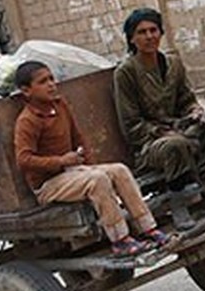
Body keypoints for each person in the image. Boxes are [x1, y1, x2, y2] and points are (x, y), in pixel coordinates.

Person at [13, 60, 171, 257]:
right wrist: (62, 161)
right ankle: (120, 240)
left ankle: (148, 228)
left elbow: (78, 136)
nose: (51, 84)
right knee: (97, 180)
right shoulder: (28, 120)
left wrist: (85, 161)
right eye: (43, 81)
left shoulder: (59, 105)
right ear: (26, 91)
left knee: (119, 170)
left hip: (72, 173)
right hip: (48, 184)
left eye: (52, 78)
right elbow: (24, 160)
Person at [113, 7, 205, 230]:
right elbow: (131, 124)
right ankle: (179, 203)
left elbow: (186, 99)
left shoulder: (173, 64)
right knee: (176, 145)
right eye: (142, 32)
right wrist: (161, 132)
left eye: (153, 30)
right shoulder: (126, 72)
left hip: (180, 128)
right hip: (150, 144)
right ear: (132, 38)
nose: (149, 36)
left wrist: (194, 111)